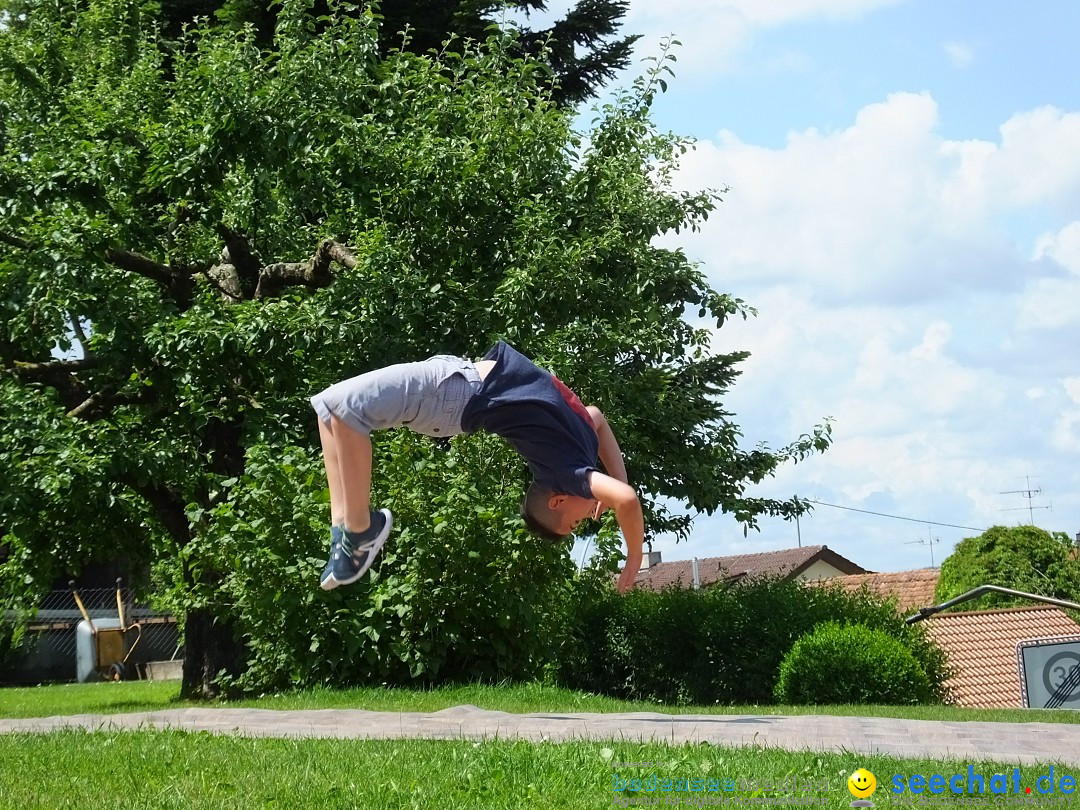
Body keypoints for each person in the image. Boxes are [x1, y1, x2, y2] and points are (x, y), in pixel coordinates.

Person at [310, 340, 643, 593]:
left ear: (557, 499)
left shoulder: (563, 472)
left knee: (349, 411)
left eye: (576, 521)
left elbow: (623, 497)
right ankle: (344, 528)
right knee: (329, 405)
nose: (589, 515)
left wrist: (613, 492)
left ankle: (359, 529)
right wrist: (634, 550)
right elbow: (597, 418)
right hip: (456, 386)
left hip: (453, 396)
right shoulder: (579, 452)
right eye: (578, 521)